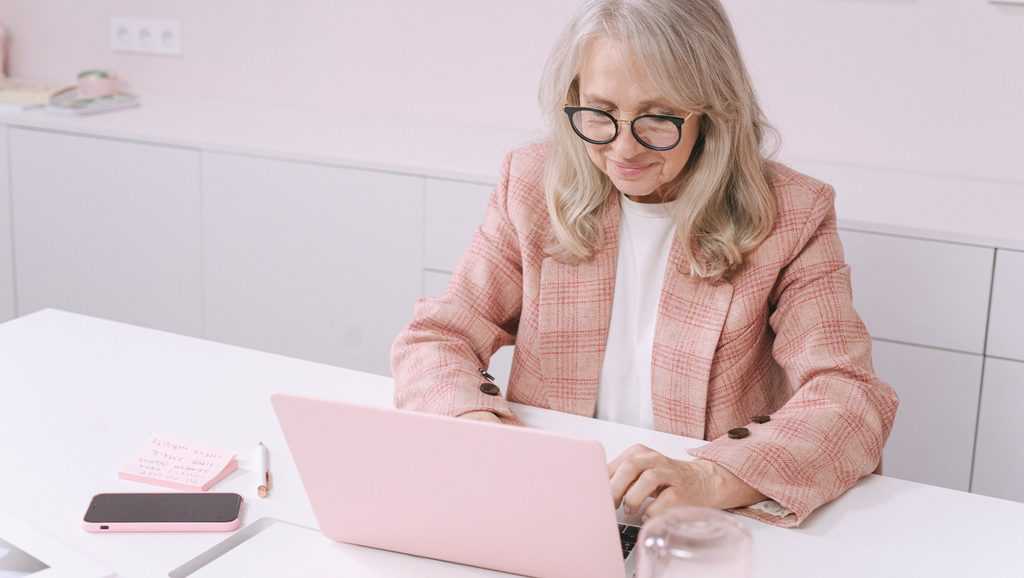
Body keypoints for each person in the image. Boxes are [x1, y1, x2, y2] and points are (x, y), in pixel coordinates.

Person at [391, 0, 898, 529]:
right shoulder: (532, 184)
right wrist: (477, 424)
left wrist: (709, 478)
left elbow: (850, 396)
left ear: (713, 112)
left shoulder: (792, 211)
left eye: (658, 118)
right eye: (600, 112)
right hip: (553, 507)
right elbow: (436, 338)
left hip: (704, 524)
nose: (623, 148)